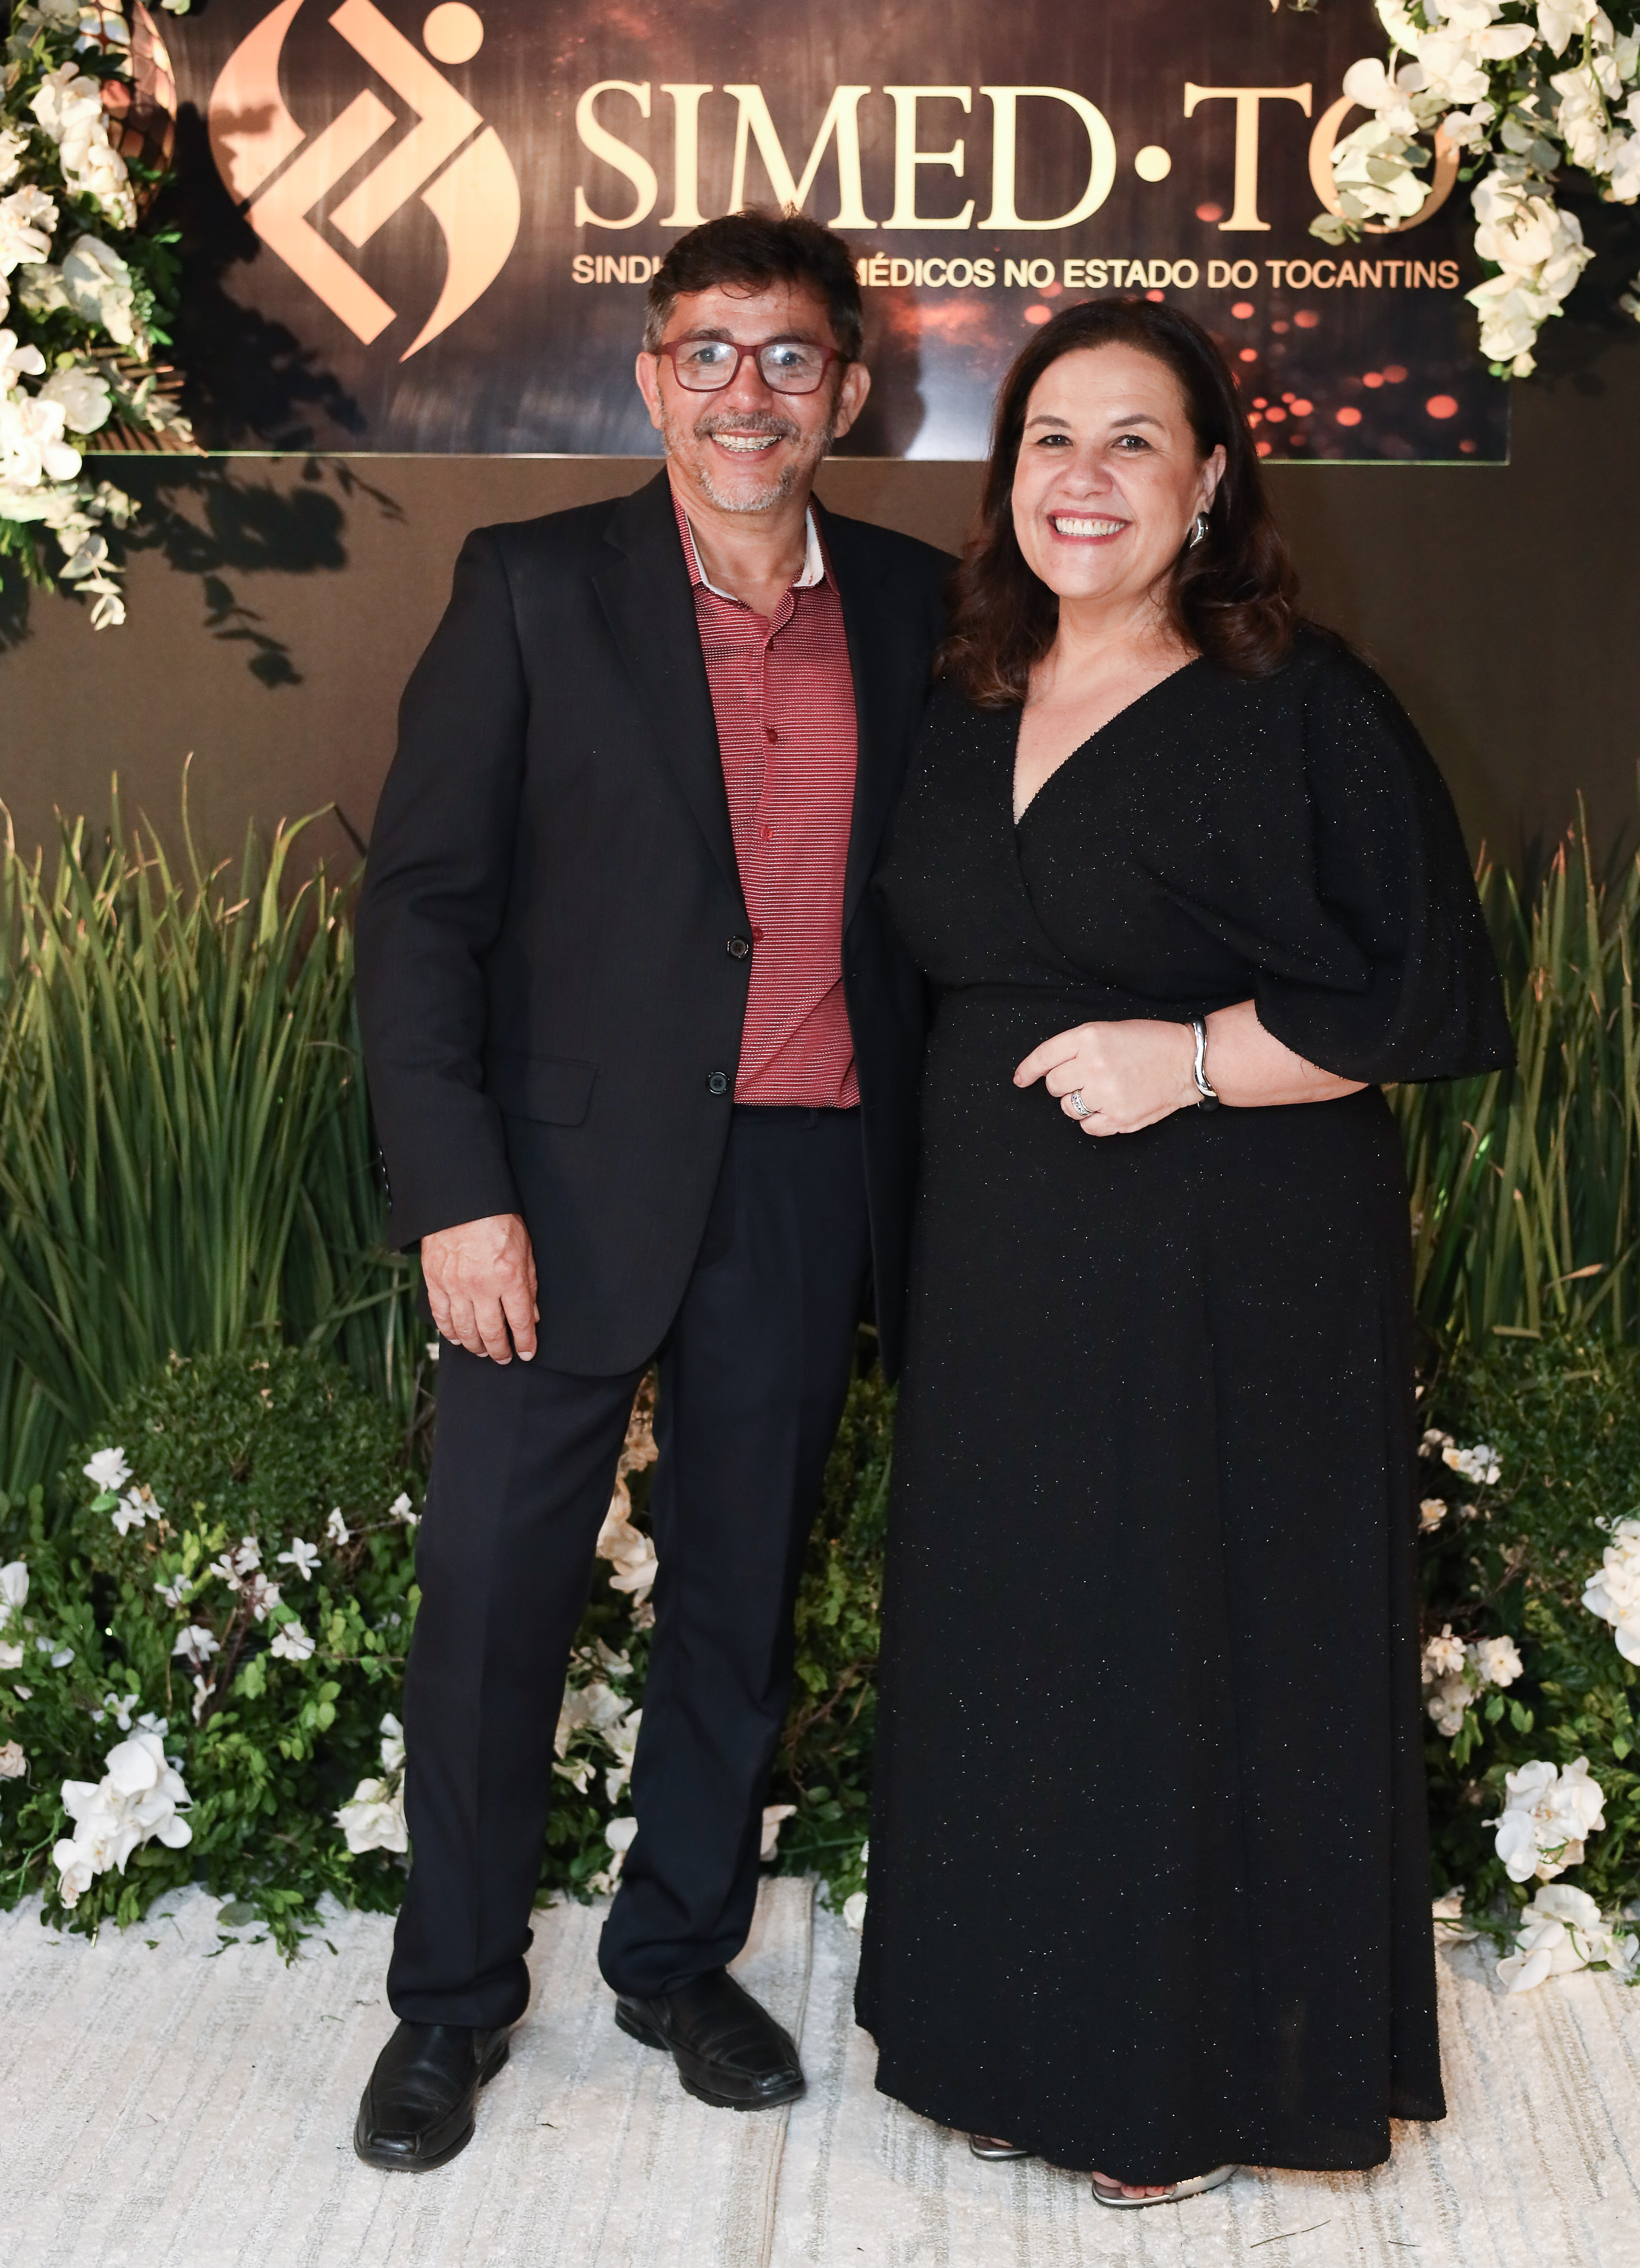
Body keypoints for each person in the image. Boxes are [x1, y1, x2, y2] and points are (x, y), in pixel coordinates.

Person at [854, 296, 1514, 2206]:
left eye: (1134, 440)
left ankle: (1185, 2090)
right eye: (1052, 439)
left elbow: (1422, 993)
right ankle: (1001, 2042)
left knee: (1186, 1642)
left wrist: (1195, 1059)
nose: (1087, 478)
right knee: (1015, 1641)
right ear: (1008, 477)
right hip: (1001, 1271)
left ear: (1212, 480)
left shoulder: (1300, 702)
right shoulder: (965, 697)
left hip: (1231, 1268)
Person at [351, 209, 948, 2171]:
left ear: (846, 389)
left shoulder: (920, 608)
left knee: (736, 1605)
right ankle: (451, 2002)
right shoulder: (533, 587)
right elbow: (423, 914)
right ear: (651, 379)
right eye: (709, 354)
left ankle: (676, 1955)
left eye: (788, 357)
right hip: (551, 1194)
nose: (745, 394)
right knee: (490, 1606)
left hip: (804, 1178)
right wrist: (457, 1195)